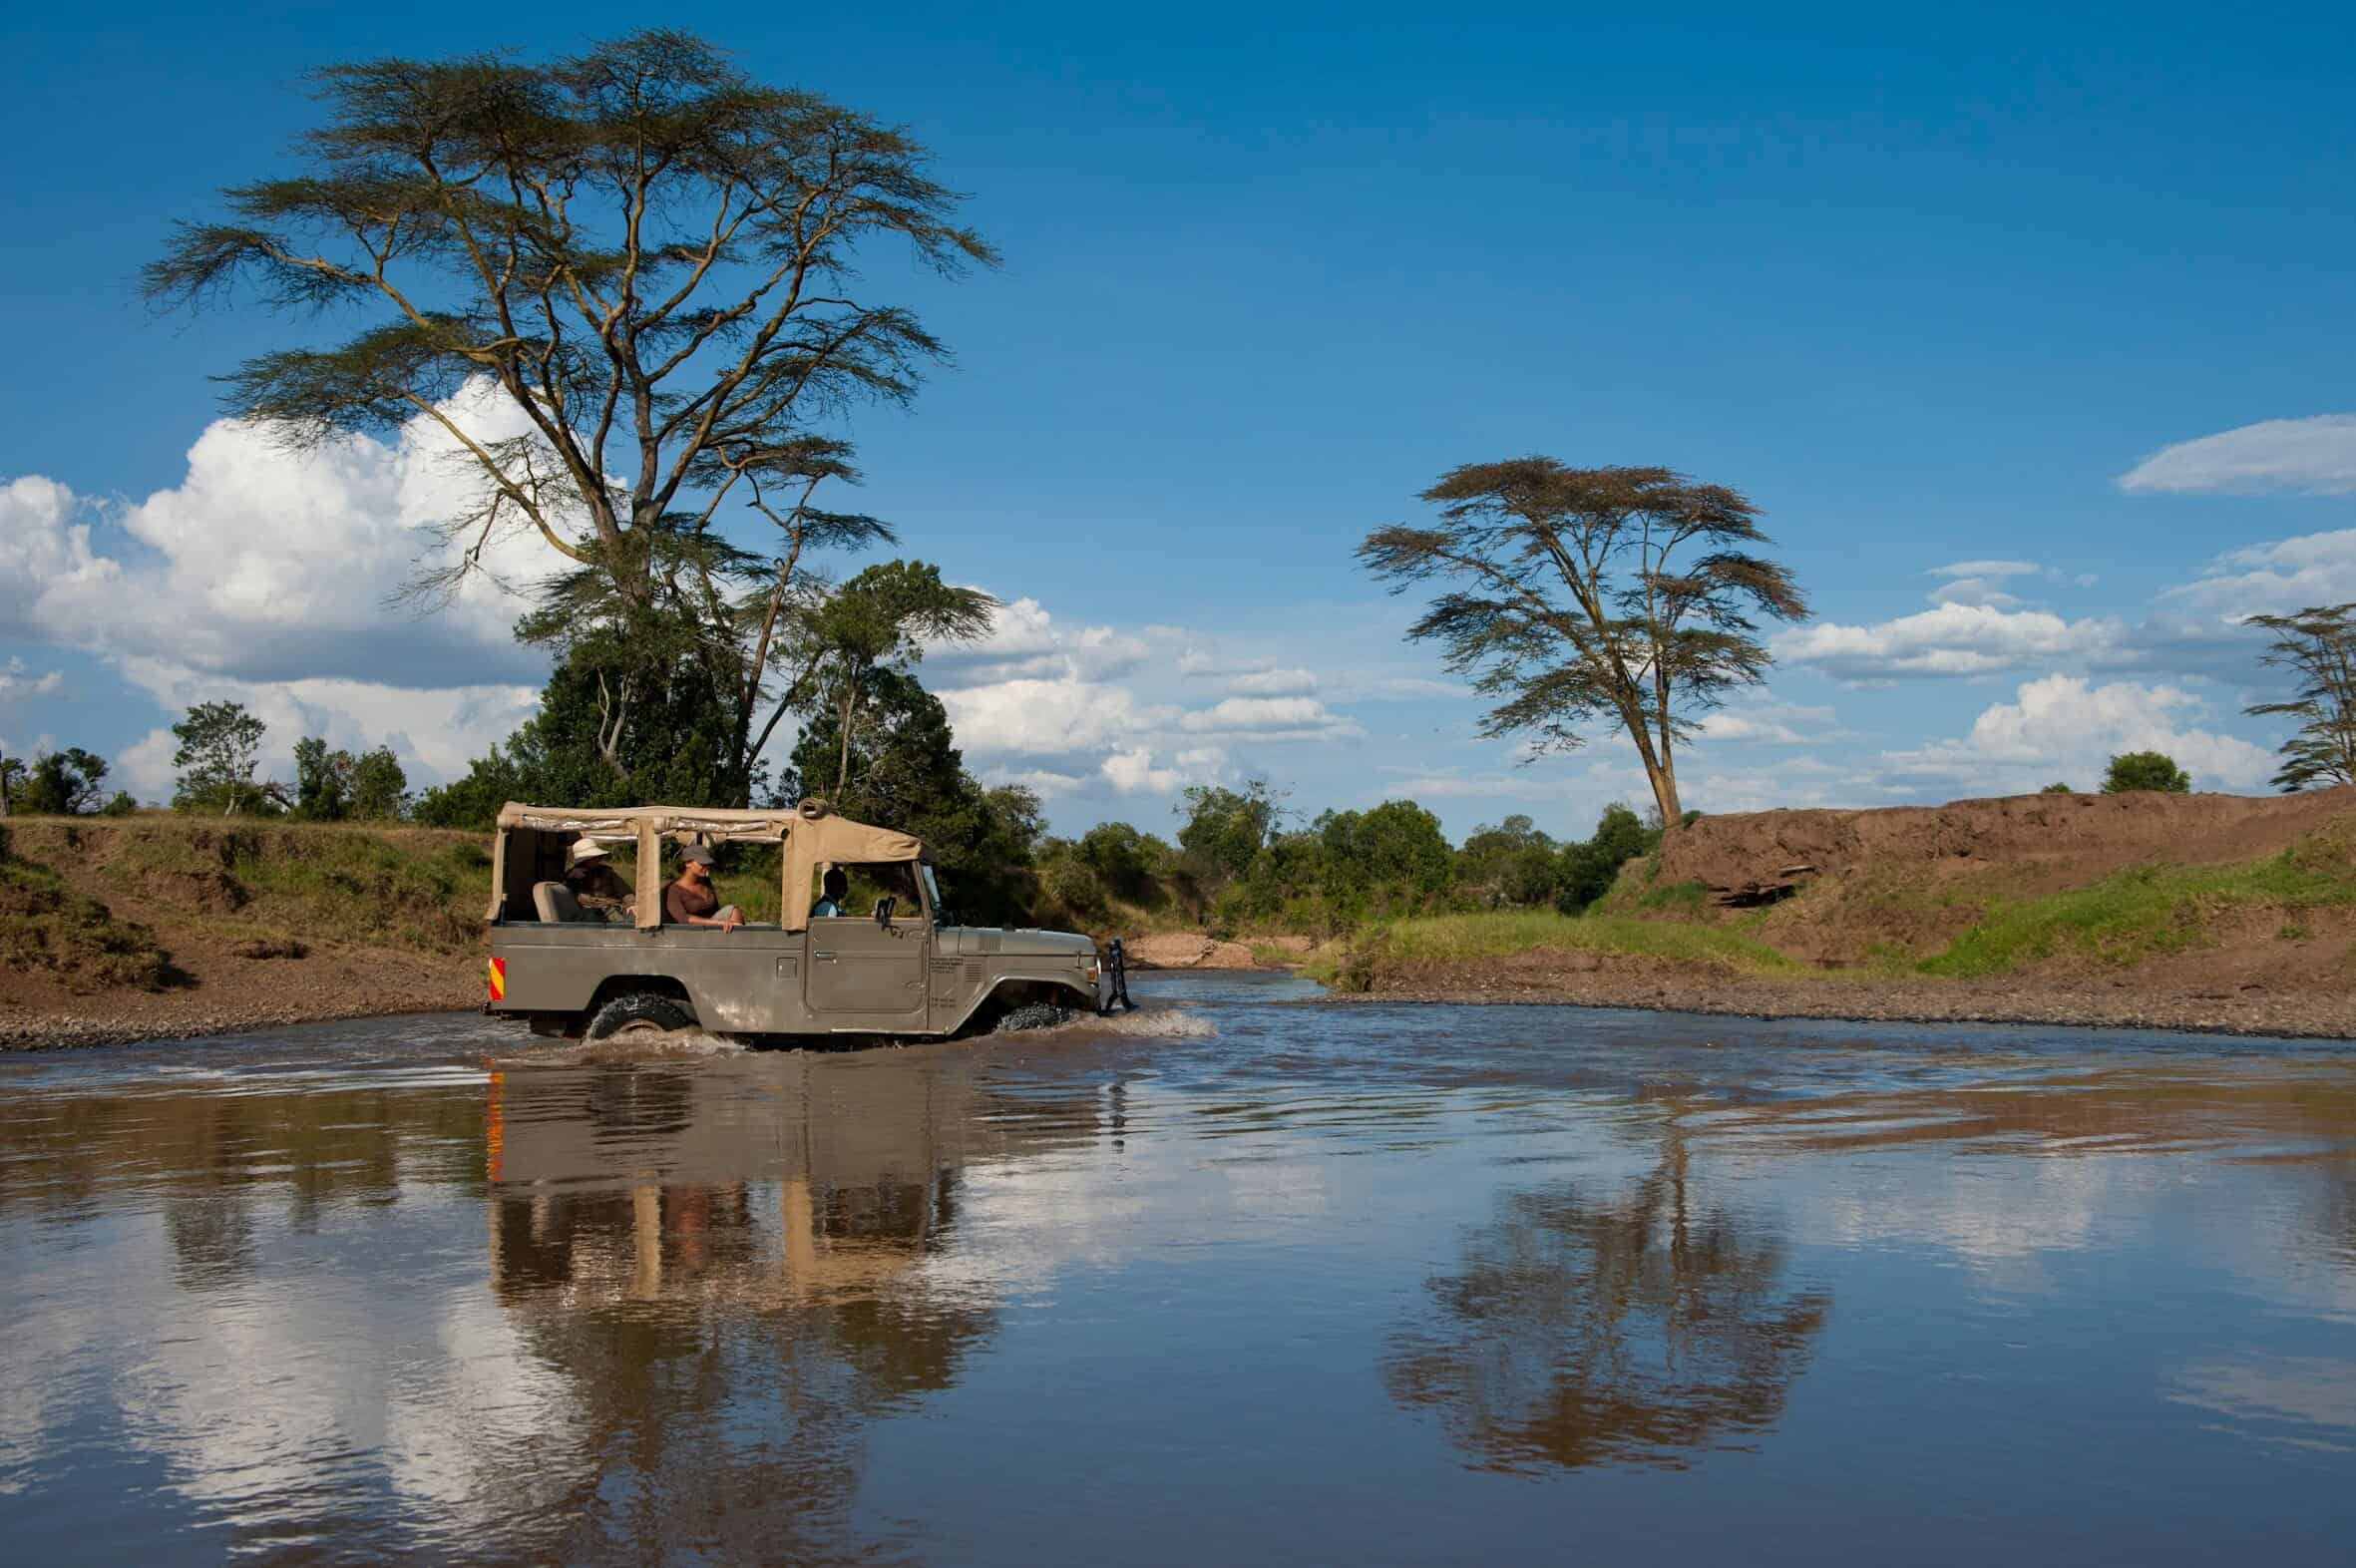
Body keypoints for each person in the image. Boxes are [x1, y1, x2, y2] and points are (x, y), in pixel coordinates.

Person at [662, 845, 743, 931]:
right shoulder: (674, 890)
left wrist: (725, 922)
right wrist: (719, 923)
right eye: (702, 863)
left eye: (707, 864)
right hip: (690, 932)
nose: (707, 867)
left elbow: (716, 909)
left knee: (734, 911)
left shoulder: (706, 881)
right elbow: (683, 918)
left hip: (710, 928)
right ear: (688, 863)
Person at [563, 837, 634, 921]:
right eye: (593, 857)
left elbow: (625, 891)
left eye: (597, 857)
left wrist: (631, 904)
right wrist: (571, 877)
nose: (597, 859)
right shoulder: (573, 875)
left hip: (612, 910)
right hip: (589, 914)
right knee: (590, 917)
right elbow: (566, 891)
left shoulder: (607, 872)